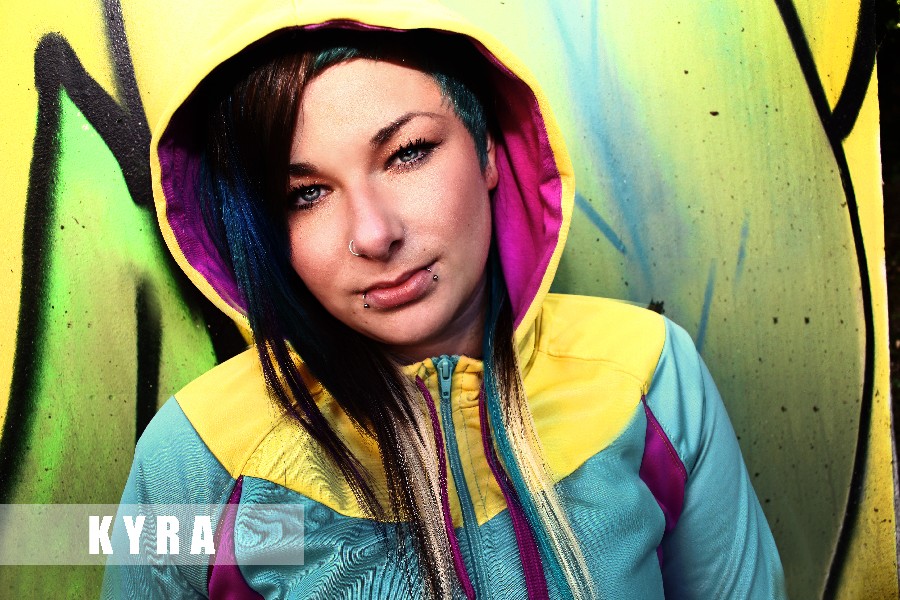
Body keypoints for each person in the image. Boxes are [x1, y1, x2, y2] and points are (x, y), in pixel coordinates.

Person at [102, 7, 787, 600]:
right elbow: (51, 538)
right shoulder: (198, 457)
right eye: (305, 194)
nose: (374, 234)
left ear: (488, 151)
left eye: (407, 153)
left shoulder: (646, 373)